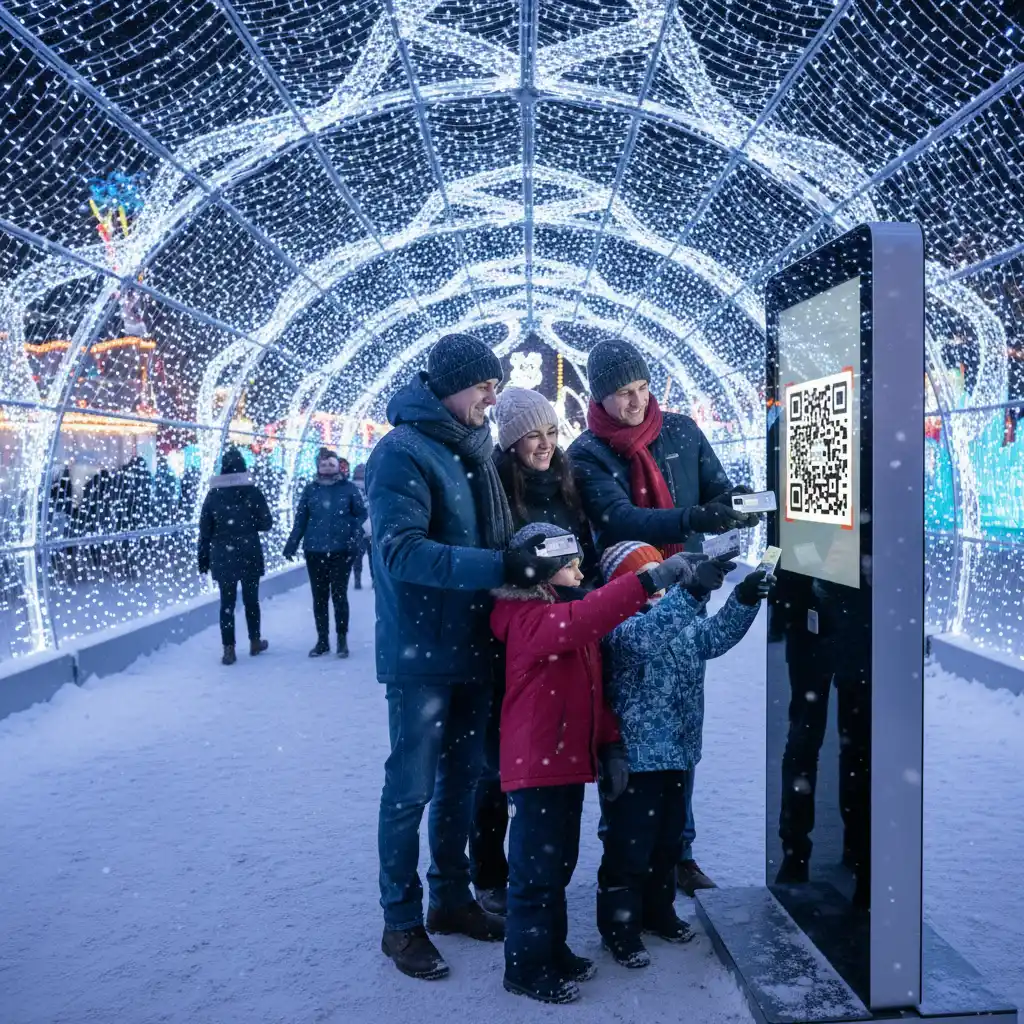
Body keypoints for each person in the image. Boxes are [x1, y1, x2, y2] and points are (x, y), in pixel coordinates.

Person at [367, 333, 562, 982]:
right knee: (411, 789)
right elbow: (401, 551)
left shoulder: (474, 448)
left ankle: (450, 899)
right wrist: (502, 565)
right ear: (450, 385)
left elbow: (495, 537)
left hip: (476, 644)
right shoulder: (401, 453)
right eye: (484, 385)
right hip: (422, 652)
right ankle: (401, 923)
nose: (492, 397)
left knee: (464, 782)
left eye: (495, 386)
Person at [568, 338, 760, 896]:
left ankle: (679, 852)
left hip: (689, 590)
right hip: (626, 596)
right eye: (622, 394)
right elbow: (619, 518)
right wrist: (692, 516)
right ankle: (625, 854)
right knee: (630, 732)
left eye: (642, 388)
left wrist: (733, 503)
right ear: (600, 398)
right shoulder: (586, 453)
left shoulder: (681, 430)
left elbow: (718, 488)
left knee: (680, 718)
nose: (636, 402)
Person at [492, 523, 705, 1004]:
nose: (579, 571)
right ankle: (525, 965)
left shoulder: (569, 611)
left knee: (559, 862)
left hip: (566, 761)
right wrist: (650, 580)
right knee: (535, 870)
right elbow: (582, 620)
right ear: (541, 569)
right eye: (569, 565)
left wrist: (609, 745)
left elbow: (595, 690)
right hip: (537, 764)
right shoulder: (527, 616)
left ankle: (551, 948)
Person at [597, 541, 773, 968]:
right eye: (647, 576)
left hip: (679, 751)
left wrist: (743, 598)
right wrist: (691, 592)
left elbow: (712, 638)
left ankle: (658, 912)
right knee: (629, 848)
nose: (659, 583)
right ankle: (620, 928)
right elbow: (647, 638)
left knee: (668, 842)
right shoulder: (616, 624)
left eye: (661, 572)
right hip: (636, 760)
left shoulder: (677, 613)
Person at [467, 387, 599, 918]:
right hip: (513, 641)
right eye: (532, 436)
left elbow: (586, 552)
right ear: (510, 441)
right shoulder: (493, 487)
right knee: (496, 766)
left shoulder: (569, 482)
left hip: (565, 633)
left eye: (550, 433)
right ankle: (489, 873)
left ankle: (540, 873)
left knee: (551, 762)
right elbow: (488, 562)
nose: (544, 445)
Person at [283, 449, 367, 658]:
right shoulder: (310, 490)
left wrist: (353, 534)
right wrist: (292, 543)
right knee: (319, 597)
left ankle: (341, 639)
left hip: (342, 550)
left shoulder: (348, 489)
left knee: (339, 595)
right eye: (324, 465)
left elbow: (361, 515)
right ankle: (322, 640)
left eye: (331, 464)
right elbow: (301, 519)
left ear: (338, 466)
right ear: (318, 467)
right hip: (315, 550)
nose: (327, 468)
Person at [198, 448, 273, 665]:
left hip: (223, 555)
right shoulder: (253, 492)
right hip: (249, 552)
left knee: (227, 604)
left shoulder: (213, 495)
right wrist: (247, 525)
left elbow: (205, 530)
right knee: (251, 601)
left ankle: (228, 649)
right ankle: (255, 641)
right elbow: (266, 523)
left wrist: (203, 557)